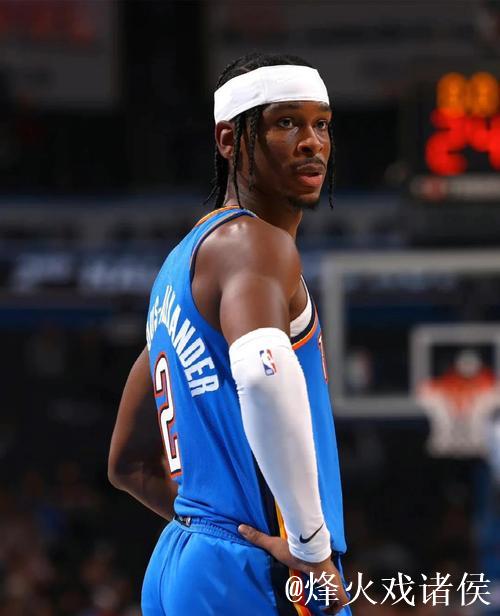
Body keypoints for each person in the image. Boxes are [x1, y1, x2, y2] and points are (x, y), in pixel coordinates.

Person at [108, 52, 351, 615]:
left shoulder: (180, 268)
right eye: (286, 123)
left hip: (184, 559)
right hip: (258, 572)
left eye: (321, 124)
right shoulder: (255, 245)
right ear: (228, 140)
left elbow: (127, 464)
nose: (311, 142)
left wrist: (212, 527)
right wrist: (310, 549)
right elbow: (263, 377)